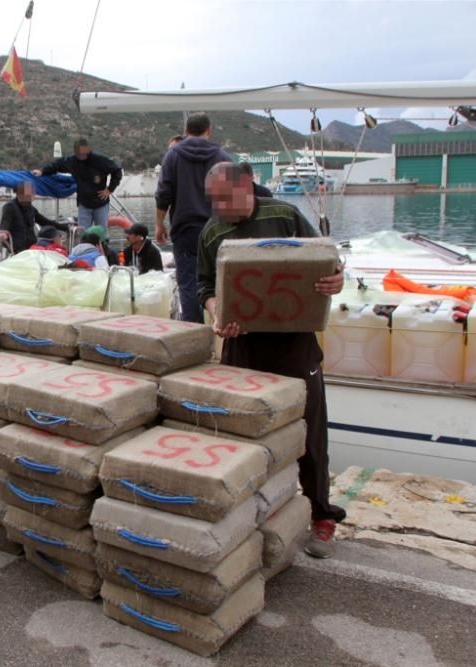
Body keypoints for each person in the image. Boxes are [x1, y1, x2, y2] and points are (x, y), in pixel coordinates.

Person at [197, 161, 346, 559]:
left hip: (295, 344)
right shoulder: (213, 231)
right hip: (243, 347)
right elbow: (204, 286)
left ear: (247, 187)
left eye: (225, 199)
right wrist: (217, 311)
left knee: (310, 434)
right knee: (244, 434)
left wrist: (338, 279)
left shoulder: (283, 214)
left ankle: (322, 515)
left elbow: (328, 261)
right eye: (214, 201)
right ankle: (252, 513)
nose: (220, 208)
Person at [155, 112, 232, 322]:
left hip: (186, 231)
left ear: (186, 132)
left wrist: (159, 224)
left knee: (189, 285)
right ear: (209, 130)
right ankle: (222, 331)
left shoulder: (173, 156)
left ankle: (193, 337)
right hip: (218, 232)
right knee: (220, 284)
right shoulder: (223, 158)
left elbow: (163, 194)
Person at [32, 138, 122, 230]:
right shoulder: (72, 161)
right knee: (83, 233)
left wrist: (110, 189)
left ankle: (102, 244)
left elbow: (117, 170)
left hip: (101, 204)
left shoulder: (100, 160)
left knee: (102, 233)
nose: (82, 156)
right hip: (84, 204)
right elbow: (56, 165)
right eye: (79, 154)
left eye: (84, 153)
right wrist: (42, 171)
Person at [0, 181, 70, 255]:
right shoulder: (9, 207)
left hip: (32, 248)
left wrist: (65, 228)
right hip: (16, 249)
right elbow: (5, 221)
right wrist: (3, 231)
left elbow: (45, 221)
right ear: (18, 194)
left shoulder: (31, 208)